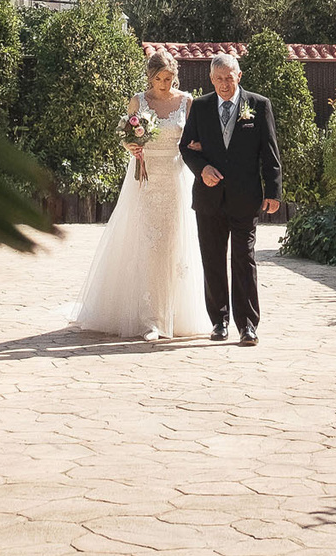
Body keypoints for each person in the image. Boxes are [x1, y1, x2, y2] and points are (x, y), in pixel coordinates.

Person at [68, 53, 210, 339]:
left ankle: (173, 315)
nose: (163, 84)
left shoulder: (186, 101)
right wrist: (130, 147)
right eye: (158, 79)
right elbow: (127, 135)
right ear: (150, 76)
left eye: (168, 79)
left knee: (172, 244)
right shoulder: (139, 101)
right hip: (144, 179)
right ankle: (150, 320)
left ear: (175, 76)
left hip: (173, 178)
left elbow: (194, 138)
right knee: (145, 243)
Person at [179, 52, 280, 345]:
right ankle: (219, 321)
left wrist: (273, 192)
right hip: (209, 198)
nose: (224, 83)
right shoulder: (200, 107)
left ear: (239, 76)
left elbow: (270, 153)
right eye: (219, 78)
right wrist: (202, 169)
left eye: (229, 77)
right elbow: (186, 148)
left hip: (245, 197)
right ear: (211, 79)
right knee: (212, 260)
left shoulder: (259, 106)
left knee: (244, 259)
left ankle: (248, 325)